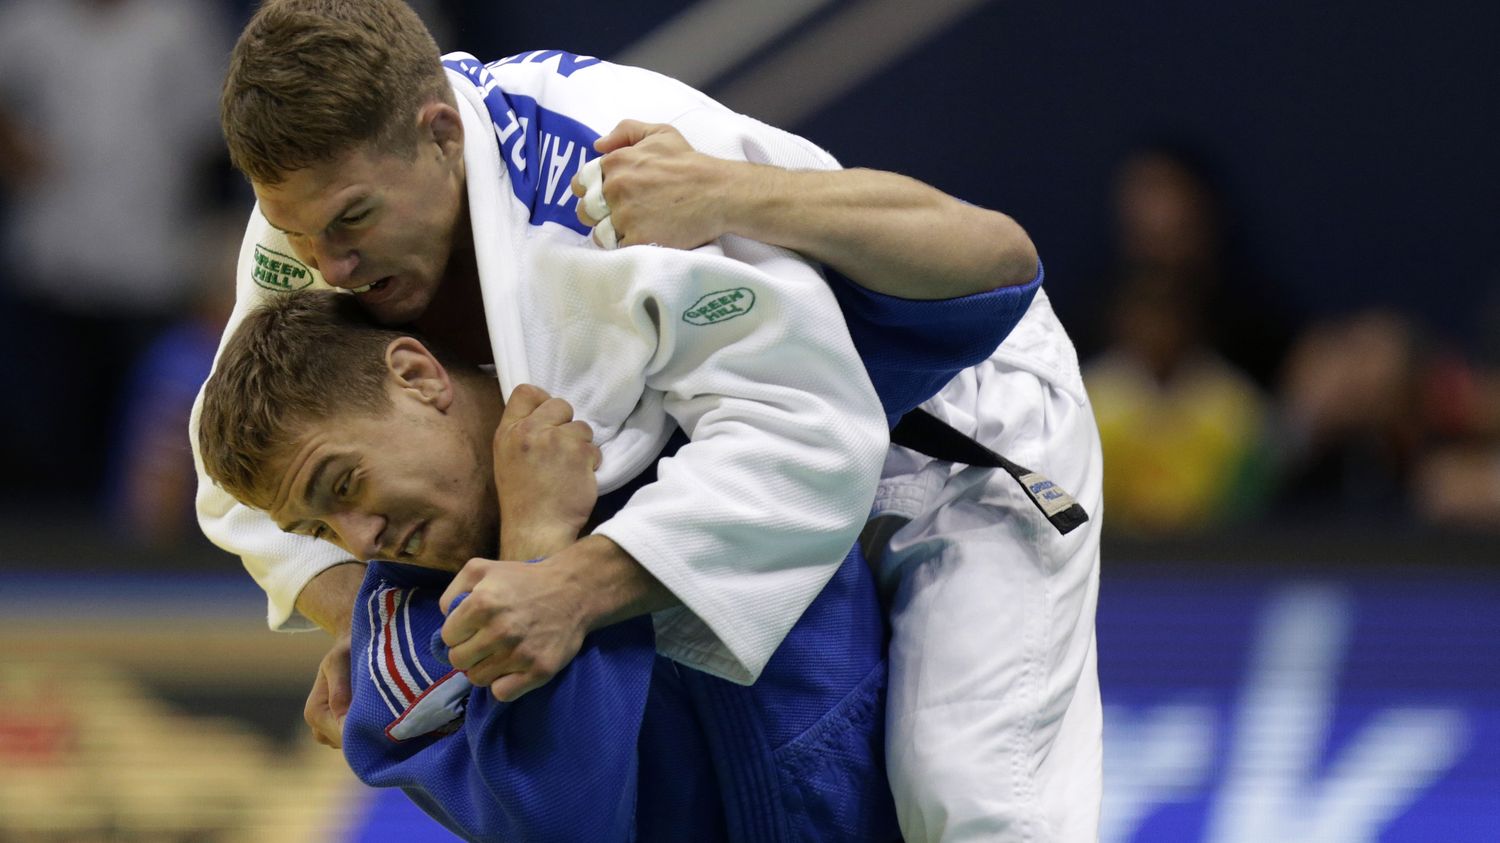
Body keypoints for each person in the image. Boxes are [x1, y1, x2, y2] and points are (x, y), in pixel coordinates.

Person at [196, 2, 1098, 839]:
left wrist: (565, 581)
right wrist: (366, 613)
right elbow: (243, 476)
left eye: (352, 220)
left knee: (971, 797)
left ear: (439, 136)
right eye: (297, 231)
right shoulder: (306, 226)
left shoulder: (613, 175)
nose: (333, 265)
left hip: (945, 429)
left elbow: (815, 421)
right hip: (753, 461)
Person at [197, 290, 900, 841]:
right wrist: (538, 544)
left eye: (346, 483)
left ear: (416, 377)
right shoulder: (402, 662)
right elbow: (563, 825)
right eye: (318, 528)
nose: (361, 540)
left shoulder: (702, 421)